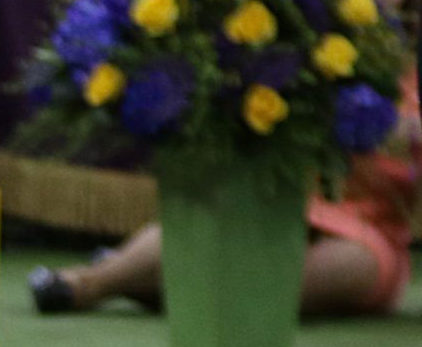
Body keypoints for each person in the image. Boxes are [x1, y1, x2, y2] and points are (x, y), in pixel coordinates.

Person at [30, 72, 422, 320]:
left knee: (353, 264)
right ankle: (88, 284)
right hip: (279, 204)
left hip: (371, 233)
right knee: (212, 228)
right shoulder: (314, 49)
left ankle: (143, 278)